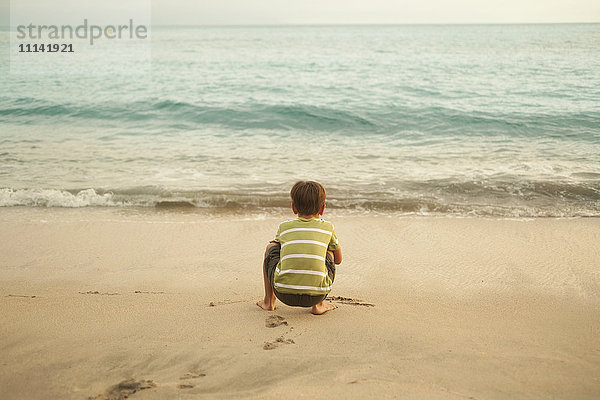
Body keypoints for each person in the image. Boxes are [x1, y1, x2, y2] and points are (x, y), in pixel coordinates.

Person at [257, 181, 342, 315]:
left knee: (271, 247)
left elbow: (278, 250)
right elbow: (338, 260)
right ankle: (319, 305)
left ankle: (268, 301)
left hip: (283, 294)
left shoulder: (284, 227)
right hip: (317, 295)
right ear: (322, 209)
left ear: (293, 207)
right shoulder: (328, 227)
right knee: (329, 252)